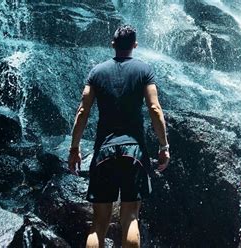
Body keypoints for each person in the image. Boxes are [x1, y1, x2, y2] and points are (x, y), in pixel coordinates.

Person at [67, 25, 170, 248]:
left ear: (112, 44)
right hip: (133, 152)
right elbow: (155, 108)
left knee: (99, 223)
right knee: (131, 217)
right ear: (135, 45)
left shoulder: (96, 72)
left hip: (104, 152)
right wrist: (164, 146)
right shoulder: (144, 70)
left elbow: (82, 112)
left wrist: (74, 149)